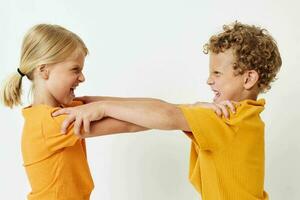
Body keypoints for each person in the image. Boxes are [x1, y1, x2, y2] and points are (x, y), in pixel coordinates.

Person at [53, 21, 282, 200]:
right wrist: (91, 103)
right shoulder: (245, 116)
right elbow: (165, 108)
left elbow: (167, 114)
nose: (209, 80)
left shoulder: (229, 118)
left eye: (217, 74)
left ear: (249, 78)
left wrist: (101, 107)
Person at [0, 24, 150, 200]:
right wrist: (182, 115)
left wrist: (182, 107)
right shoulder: (55, 121)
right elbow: (131, 122)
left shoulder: (61, 112)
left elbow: (128, 107)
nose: (82, 77)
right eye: (75, 69)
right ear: (44, 70)